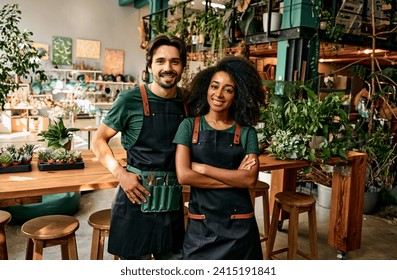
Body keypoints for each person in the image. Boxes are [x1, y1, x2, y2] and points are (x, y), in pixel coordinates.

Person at [91, 35, 188, 260]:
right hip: (136, 198)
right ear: (150, 65)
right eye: (161, 61)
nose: (168, 67)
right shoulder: (129, 100)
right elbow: (98, 141)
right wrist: (120, 174)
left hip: (172, 203)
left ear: (182, 66)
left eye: (175, 61)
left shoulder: (188, 101)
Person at [173, 56, 265, 260]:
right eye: (215, 86)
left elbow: (249, 180)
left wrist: (203, 169)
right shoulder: (189, 126)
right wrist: (235, 179)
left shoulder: (247, 132)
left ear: (237, 95)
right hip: (201, 226)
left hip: (239, 227)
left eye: (228, 89)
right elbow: (184, 176)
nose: (219, 94)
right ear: (206, 88)